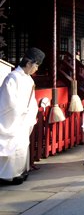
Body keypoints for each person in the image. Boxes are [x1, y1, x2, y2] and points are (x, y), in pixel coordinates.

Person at [0, 47, 45, 185]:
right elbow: (8, 103)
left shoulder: (29, 80)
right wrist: (22, 111)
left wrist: (32, 111)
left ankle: (18, 173)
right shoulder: (12, 78)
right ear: (29, 63)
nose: (36, 69)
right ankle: (6, 176)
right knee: (11, 147)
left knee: (21, 146)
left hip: (23, 120)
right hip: (14, 119)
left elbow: (31, 101)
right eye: (36, 65)